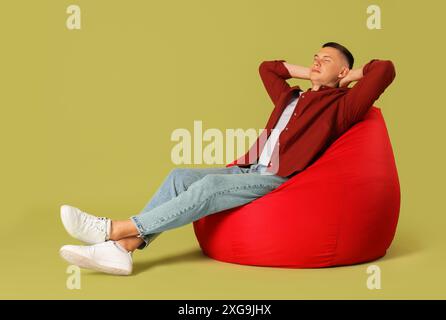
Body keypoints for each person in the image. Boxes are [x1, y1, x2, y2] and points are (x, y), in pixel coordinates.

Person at [59, 42, 396, 275]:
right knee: (179, 176)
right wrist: (313, 75)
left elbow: (385, 70)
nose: (316, 61)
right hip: (252, 168)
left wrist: (348, 78)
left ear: (344, 71)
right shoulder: (291, 96)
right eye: (314, 56)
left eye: (325, 59)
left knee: (211, 185)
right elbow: (268, 69)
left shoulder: (342, 106)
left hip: (279, 178)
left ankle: (114, 230)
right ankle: (123, 250)